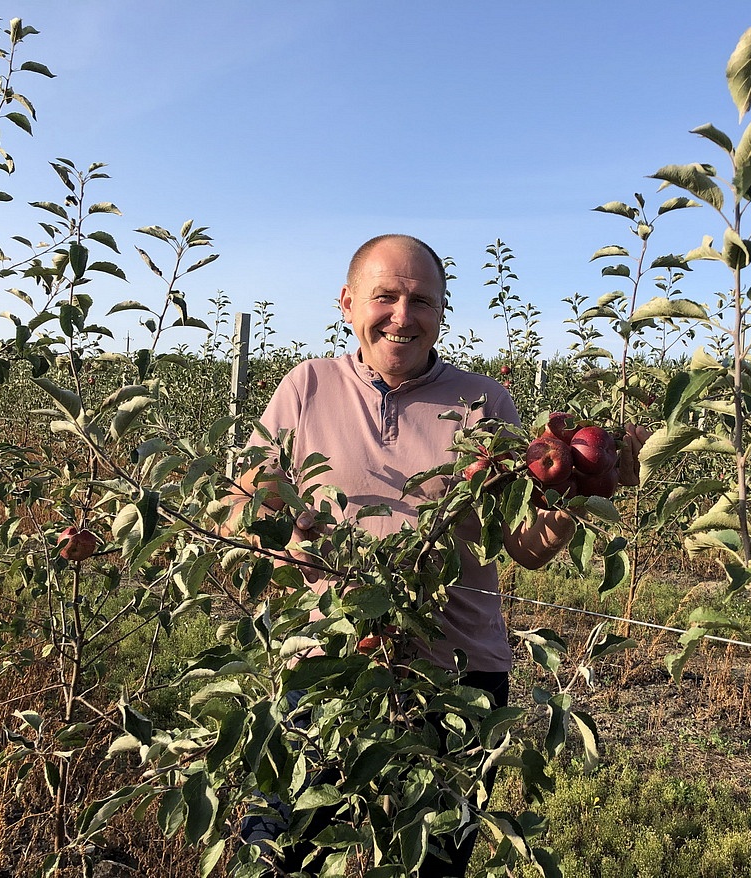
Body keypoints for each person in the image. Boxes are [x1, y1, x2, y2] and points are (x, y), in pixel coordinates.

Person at [228, 233, 645, 876]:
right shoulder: (305, 386)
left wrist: (584, 487)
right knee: (281, 854)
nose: (402, 316)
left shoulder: (485, 402)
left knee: (436, 862)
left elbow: (524, 548)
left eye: (422, 300)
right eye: (384, 297)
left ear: (443, 310)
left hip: (458, 676)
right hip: (326, 663)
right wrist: (274, 524)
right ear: (347, 303)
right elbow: (240, 510)